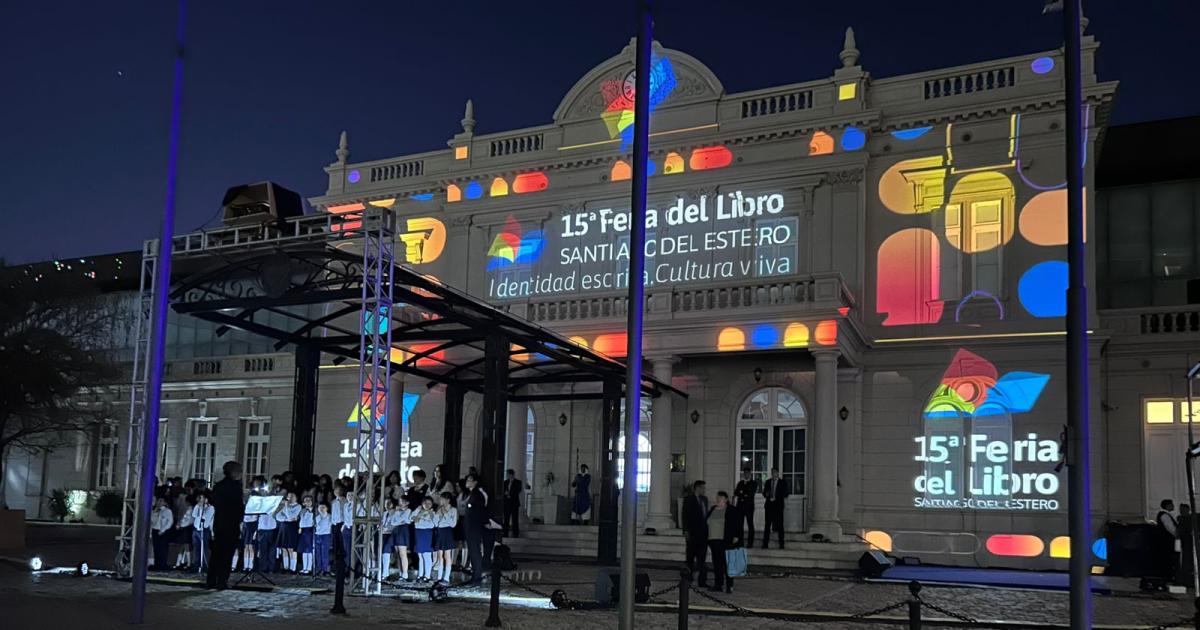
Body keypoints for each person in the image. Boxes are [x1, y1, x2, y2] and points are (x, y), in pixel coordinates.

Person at [207, 461, 244, 588]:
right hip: (230, 524)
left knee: (217, 554)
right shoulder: (235, 487)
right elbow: (238, 507)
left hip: (219, 523)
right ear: (233, 472)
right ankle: (222, 581)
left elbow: (213, 501)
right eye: (239, 471)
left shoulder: (219, 486)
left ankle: (211, 580)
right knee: (226, 555)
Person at [706, 491, 743, 593]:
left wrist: (736, 536)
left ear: (726, 499)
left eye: (721, 498)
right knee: (717, 564)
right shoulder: (713, 509)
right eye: (717, 498)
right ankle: (718, 584)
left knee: (727, 564)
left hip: (725, 541)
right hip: (713, 540)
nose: (718, 500)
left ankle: (729, 585)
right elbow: (707, 522)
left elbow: (738, 524)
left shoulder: (731, 510)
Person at [683, 480, 710, 587]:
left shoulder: (705, 499)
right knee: (690, 557)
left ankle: (702, 581)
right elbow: (685, 515)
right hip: (692, 532)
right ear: (697, 488)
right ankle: (688, 578)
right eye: (703, 488)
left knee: (702, 558)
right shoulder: (689, 499)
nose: (704, 490)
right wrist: (686, 530)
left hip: (703, 533)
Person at [463, 473, 488, 585]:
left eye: (470, 480)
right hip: (470, 526)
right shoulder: (471, 494)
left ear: (475, 482)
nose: (467, 481)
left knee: (475, 551)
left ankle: (477, 576)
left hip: (474, 527)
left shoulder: (478, 495)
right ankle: (475, 574)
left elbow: (480, 511)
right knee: (472, 551)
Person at [762, 467, 790, 550]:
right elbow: (764, 493)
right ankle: (765, 544)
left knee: (780, 525)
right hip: (769, 506)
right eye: (772, 472)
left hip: (778, 506)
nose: (773, 474)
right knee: (767, 525)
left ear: (778, 473)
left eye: (775, 472)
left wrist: (776, 497)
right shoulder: (768, 482)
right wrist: (766, 494)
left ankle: (781, 544)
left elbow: (786, 494)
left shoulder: (782, 482)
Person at [434, 491, 457, 584]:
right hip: (440, 531)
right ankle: (439, 577)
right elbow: (436, 523)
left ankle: (446, 577)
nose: (440, 500)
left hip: (448, 532)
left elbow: (452, 524)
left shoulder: (453, 510)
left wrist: (444, 513)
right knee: (440, 555)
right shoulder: (438, 510)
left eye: (442, 499)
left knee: (447, 555)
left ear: (447, 500)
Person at [413, 495, 438, 582]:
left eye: (429, 503)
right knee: (420, 555)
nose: (427, 505)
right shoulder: (418, 510)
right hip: (419, 532)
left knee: (427, 555)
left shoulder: (433, 513)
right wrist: (420, 513)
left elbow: (436, 523)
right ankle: (420, 574)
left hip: (427, 533)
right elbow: (412, 519)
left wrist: (430, 514)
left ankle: (427, 575)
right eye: (425, 503)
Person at [733, 468, 759, 548]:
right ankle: (740, 542)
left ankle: (750, 543)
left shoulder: (754, 483)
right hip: (740, 506)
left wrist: (743, 493)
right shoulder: (740, 483)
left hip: (749, 506)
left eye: (747, 473)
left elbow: (750, 493)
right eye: (745, 473)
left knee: (750, 524)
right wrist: (743, 493)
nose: (746, 474)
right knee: (739, 524)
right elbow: (736, 492)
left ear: (750, 474)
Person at [190, 491, 215, 571]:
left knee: (204, 548)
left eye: (201, 498)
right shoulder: (197, 506)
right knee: (196, 548)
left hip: (204, 529)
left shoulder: (210, 508)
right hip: (196, 528)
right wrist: (198, 507)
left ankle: (205, 565)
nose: (199, 500)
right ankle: (196, 564)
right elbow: (194, 515)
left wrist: (202, 509)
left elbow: (206, 518)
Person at [277, 492, 302, 573]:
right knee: (284, 548)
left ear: (296, 498)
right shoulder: (283, 506)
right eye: (289, 496)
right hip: (283, 527)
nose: (290, 498)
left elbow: (291, 516)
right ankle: (286, 567)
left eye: (292, 496)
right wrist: (286, 518)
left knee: (291, 548)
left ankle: (293, 568)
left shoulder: (298, 506)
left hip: (292, 528)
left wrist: (287, 508)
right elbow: (278, 516)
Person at [256, 495, 281, 572]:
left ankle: (271, 568)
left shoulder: (274, 507)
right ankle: (263, 567)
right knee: (263, 550)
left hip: (272, 528)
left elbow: (277, 514)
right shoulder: (259, 507)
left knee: (272, 550)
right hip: (262, 529)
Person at [1157, 498, 1180, 582]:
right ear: (1167, 506)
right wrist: (1178, 536)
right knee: (1168, 559)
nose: (1173, 506)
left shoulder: (1165, 515)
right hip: (1167, 542)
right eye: (1172, 504)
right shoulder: (1165, 516)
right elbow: (1171, 529)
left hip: (1165, 542)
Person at [151, 496, 174, 571]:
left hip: (163, 532)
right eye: (158, 501)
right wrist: (154, 511)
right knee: (156, 549)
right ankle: (157, 564)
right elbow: (152, 521)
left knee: (162, 549)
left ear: (164, 502)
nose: (159, 503)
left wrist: (163, 530)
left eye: (161, 501)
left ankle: (162, 565)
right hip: (155, 530)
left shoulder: (167, 511)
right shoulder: (154, 511)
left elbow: (169, 522)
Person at [503, 469, 525, 538]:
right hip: (507, 503)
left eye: (509, 474)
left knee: (515, 519)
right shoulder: (505, 482)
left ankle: (515, 533)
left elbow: (518, 490)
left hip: (514, 503)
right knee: (506, 519)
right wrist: (505, 494)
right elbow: (502, 490)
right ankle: (505, 533)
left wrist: (510, 494)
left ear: (512, 475)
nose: (508, 476)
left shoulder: (518, 482)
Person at [298, 495, 316, 575]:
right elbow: (301, 520)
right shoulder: (302, 511)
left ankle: (309, 568)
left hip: (310, 530)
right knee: (304, 550)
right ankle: (304, 567)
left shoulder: (315, 510)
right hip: (303, 530)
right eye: (305, 501)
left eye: (309, 500)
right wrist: (300, 527)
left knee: (309, 549)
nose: (307, 502)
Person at [314, 502, 333, 576]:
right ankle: (319, 568)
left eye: (323, 507)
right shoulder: (316, 517)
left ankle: (325, 569)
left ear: (327, 508)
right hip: (317, 535)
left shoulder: (330, 516)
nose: (321, 509)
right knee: (318, 553)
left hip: (326, 535)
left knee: (325, 553)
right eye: (320, 507)